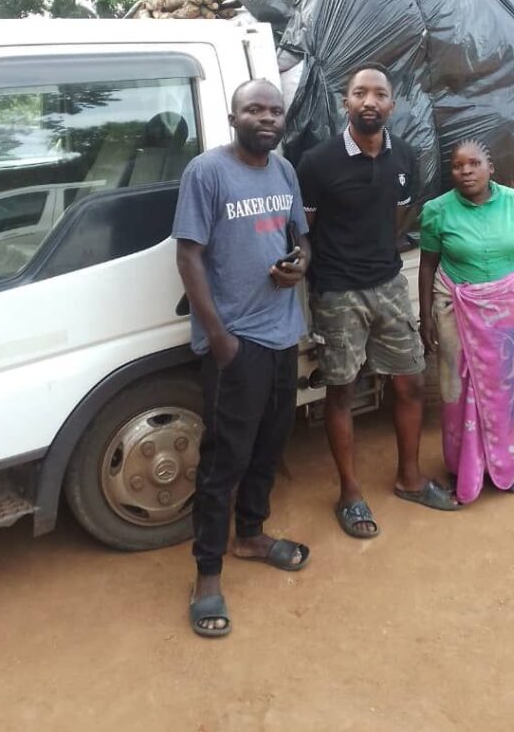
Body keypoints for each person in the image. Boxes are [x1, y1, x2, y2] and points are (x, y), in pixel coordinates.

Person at [173, 79, 312, 638]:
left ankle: (251, 534)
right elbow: (188, 255)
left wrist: (299, 265)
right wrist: (219, 336)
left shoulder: (285, 171)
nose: (267, 118)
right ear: (233, 116)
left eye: (275, 111)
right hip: (238, 341)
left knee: (270, 446)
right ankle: (207, 573)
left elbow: (301, 238)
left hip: (284, 334)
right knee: (223, 457)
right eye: (255, 109)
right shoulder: (206, 172)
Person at [297, 64, 458, 539]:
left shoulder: (404, 156)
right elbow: (303, 227)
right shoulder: (317, 162)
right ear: (345, 102)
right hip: (338, 291)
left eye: (379, 94)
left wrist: (379, 251)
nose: (370, 101)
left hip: (388, 283)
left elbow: (399, 212)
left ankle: (409, 479)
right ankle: (349, 493)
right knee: (342, 391)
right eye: (359, 93)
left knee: (408, 384)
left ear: (391, 104)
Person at [418, 140, 514, 505]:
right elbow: (428, 265)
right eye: (458, 166)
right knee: (458, 390)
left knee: (509, 390)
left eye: (474, 163)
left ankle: (506, 463)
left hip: (511, 313)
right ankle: (465, 465)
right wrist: (425, 314)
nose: (466, 171)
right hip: (456, 312)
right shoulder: (437, 211)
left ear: (490, 167)